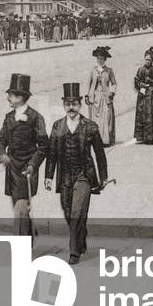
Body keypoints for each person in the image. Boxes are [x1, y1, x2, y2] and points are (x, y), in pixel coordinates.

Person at [45, 82, 108, 265]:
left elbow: (99, 154)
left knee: (76, 211)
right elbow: (52, 154)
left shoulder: (90, 126)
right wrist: (48, 176)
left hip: (83, 175)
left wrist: (103, 176)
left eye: (74, 103)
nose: (71, 107)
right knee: (67, 211)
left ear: (80, 105)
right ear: (64, 105)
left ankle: (74, 252)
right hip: (64, 176)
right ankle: (81, 236)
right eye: (67, 104)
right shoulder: (57, 127)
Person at [0, 74, 48, 239]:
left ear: (20, 97)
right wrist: (2, 154)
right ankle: (30, 233)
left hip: (27, 171)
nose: (7, 99)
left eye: (10, 95)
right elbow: (0, 140)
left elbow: (44, 146)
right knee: (20, 212)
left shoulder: (36, 118)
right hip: (12, 171)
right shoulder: (8, 118)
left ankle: (22, 254)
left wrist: (33, 165)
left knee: (20, 211)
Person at [85, 46, 117, 146]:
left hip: (105, 98)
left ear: (105, 60)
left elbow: (114, 83)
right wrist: (87, 96)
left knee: (106, 119)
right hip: (95, 98)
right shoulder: (92, 70)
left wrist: (112, 92)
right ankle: (95, 140)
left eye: (102, 58)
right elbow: (88, 84)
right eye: (98, 58)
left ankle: (105, 140)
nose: (100, 60)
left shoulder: (109, 70)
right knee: (95, 120)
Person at [133, 48, 153, 144]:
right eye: (146, 59)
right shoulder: (140, 70)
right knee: (142, 115)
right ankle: (142, 136)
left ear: (152, 60)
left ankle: (152, 137)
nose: (147, 61)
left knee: (152, 115)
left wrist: (152, 82)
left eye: (149, 60)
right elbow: (136, 82)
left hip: (152, 97)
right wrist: (140, 85)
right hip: (142, 97)